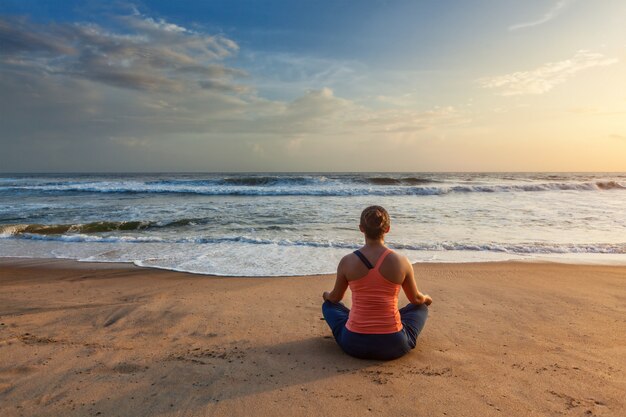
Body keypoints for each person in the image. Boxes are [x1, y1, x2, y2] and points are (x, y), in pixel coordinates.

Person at [322, 205, 432, 360]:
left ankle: (358, 322)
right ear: (387, 229)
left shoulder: (347, 261)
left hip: (353, 343)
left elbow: (334, 298)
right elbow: (416, 299)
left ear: (361, 228)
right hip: (393, 344)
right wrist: (427, 299)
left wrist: (325, 295)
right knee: (420, 308)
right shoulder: (401, 262)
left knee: (329, 306)